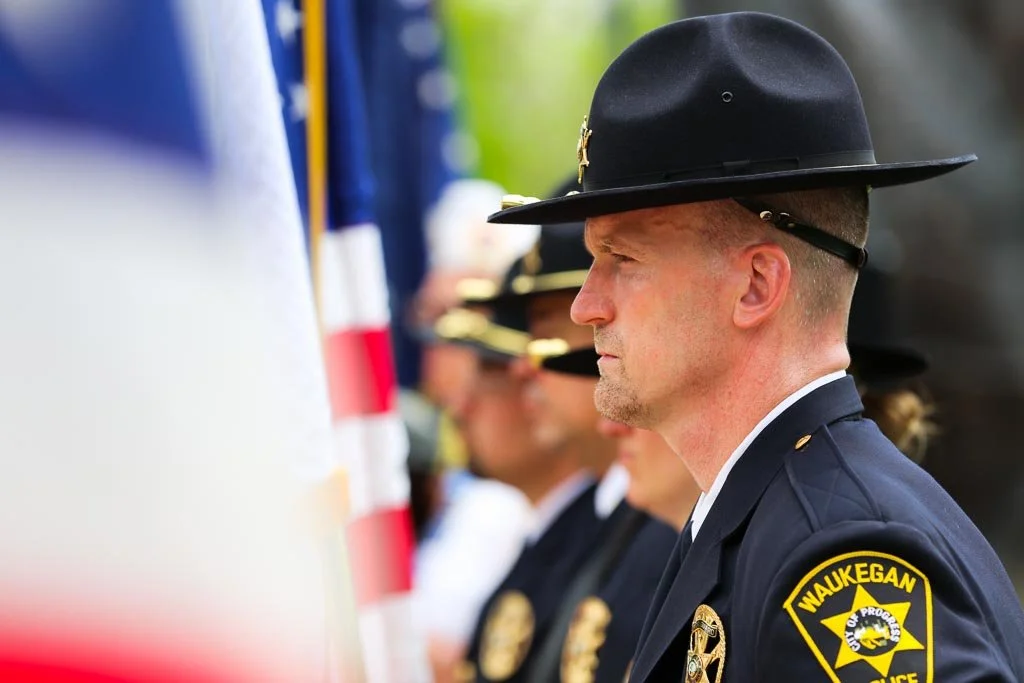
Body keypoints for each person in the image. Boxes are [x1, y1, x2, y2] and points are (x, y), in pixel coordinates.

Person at [489, 11, 1024, 682]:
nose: (584, 304)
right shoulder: (757, 515)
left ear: (756, 284)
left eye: (622, 258)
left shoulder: (837, 552)